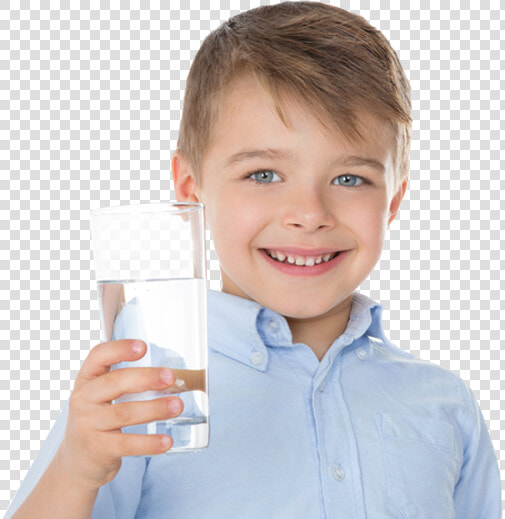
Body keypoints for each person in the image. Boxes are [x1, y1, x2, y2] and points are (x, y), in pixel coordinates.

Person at [6, 2, 501, 518]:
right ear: (190, 190)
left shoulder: (444, 405)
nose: (308, 215)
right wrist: (74, 472)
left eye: (350, 178)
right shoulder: (146, 391)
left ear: (393, 200)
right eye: (263, 174)